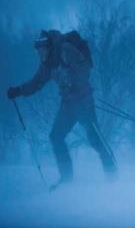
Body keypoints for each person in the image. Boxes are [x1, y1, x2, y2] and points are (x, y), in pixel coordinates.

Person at [7, 29, 117, 188]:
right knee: (56, 136)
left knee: (93, 137)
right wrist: (18, 91)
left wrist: (74, 84)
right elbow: (36, 83)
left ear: (48, 46)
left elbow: (84, 69)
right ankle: (67, 179)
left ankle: (111, 170)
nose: (40, 54)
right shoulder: (47, 64)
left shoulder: (65, 50)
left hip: (83, 101)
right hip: (68, 105)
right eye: (38, 51)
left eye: (42, 50)